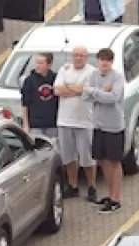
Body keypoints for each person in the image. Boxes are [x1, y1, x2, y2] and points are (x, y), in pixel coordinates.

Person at [83, 48, 126, 214]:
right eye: (101, 60)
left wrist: (95, 92)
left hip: (114, 126)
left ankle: (116, 199)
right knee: (102, 161)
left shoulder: (117, 77)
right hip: (98, 125)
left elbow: (113, 98)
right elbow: (85, 96)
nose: (104, 63)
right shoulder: (93, 76)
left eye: (107, 60)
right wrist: (101, 92)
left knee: (114, 162)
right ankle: (110, 195)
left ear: (112, 62)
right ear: (97, 61)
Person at [54, 46, 99, 203]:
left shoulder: (92, 72)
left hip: (85, 121)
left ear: (86, 57)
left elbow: (88, 90)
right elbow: (57, 90)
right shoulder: (64, 70)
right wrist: (77, 89)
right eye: (75, 55)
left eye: (81, 55)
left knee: (87, 157)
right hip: (64, 120)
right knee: (68, 156)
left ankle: (92, 186)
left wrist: (70, 88)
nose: (78, 58)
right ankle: (73, 186)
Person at [21, 52, 60, 143]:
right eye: (37, 62)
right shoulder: (29, 80)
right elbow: (25, 104)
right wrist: (26, 125)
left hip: (52, 124)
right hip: (35, 125)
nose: (38, 65)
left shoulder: (56, 78)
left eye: (41, 63)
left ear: (49, 65)